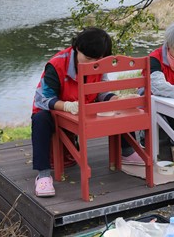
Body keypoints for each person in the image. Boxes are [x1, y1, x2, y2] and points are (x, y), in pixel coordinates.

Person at [31, 27, 143, 198]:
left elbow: (101, 91)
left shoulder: (100, 62)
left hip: (84, 107)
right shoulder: (56, 64)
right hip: (54, 110)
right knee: (39, 120)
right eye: (88, 58)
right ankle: (43, 175)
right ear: (77, 49)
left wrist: (114, 98)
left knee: (119, 108)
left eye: (98, 60)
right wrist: (67, 106)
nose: (93, 64)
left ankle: (127, 152)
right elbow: (42, 99)